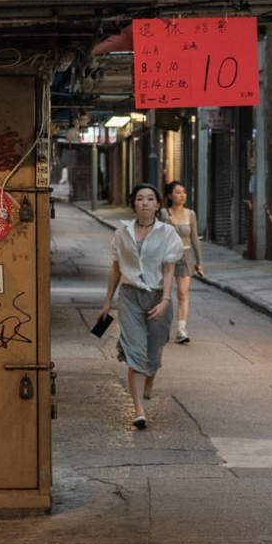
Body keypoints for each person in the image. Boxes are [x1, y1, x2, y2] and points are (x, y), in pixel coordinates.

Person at [97, 183, 183, 428]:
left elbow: (169, 269)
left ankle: (148, 385)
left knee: (153, 352)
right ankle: (138, 411)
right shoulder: (122, 232)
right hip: (130, 296)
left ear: (157, 204)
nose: (145, 203)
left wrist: (165, 300)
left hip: (157, 296)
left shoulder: (167, 233)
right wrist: (107, 302)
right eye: (140, 198)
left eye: (150, 199)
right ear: (133, 203)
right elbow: (116, 268)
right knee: (135, 351)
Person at [161, 180, 203, 343]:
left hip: (185, 256)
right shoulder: (163, 213)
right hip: (167, 256)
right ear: (170, 196)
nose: (182, 195)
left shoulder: (190, 214)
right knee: (163, 293)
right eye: (177, 193)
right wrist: (167, 224)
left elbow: (194, 238)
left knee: (182, 293)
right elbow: (158, 235)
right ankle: (161, 328)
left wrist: (199, 261)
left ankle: (181, 330)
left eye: (184, 192)